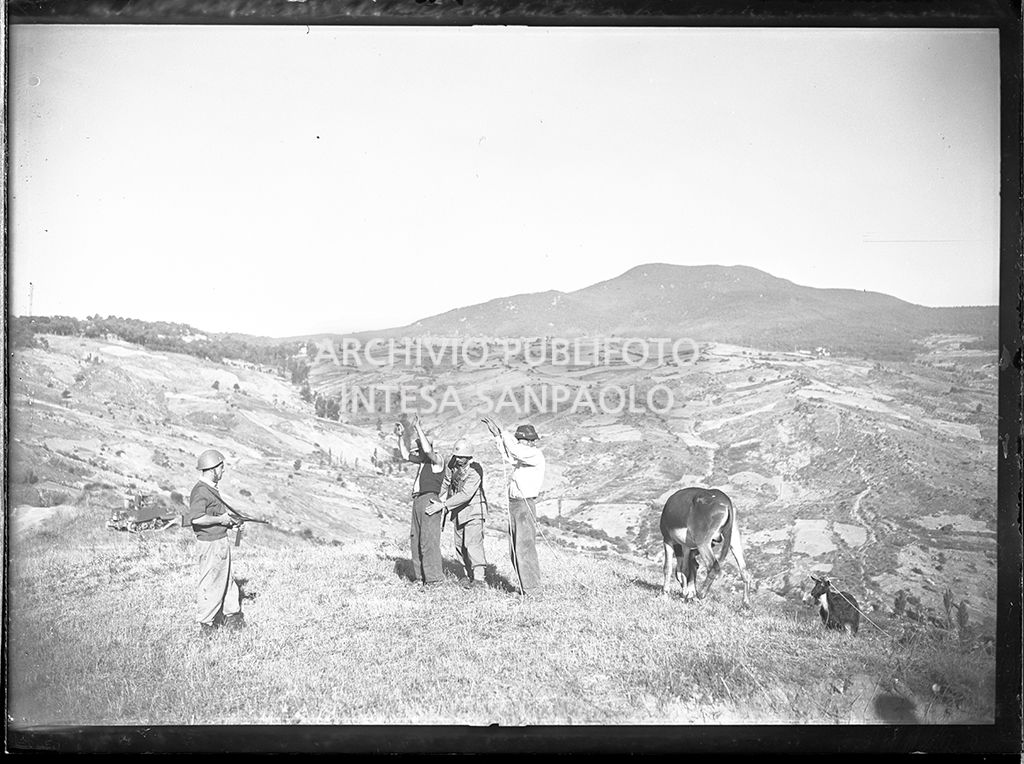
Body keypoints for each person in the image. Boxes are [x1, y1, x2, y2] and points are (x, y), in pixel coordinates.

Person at [481, 417, 545, 595]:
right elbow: (509, 455)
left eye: (521, 440)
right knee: (515, 548)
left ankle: (533, 591)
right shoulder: (524, 457)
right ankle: (527, 588)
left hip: (524, 505)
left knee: (524, 547)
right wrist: (498, 437)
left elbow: (515, 451)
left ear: (529, 441)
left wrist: (504, 431)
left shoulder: (534, 454)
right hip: (516, 505)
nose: (519, 443)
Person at [184, 449, 244, 634]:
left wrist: (229, 525)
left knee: (227, 581)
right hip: (211, 545)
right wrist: (221, 520)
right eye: (221, 467)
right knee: (211, 583)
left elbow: (213, 516)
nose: (223, 471)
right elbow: (196, 519)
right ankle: (206, 626)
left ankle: (232, 618)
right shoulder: (201, 491)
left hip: (218, 541)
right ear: (212, 469)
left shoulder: (209, 489)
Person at [430, 438, 488, 590]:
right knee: (459, 545)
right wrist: (434, 498)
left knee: (473, 544)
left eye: (461, 457)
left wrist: (443, 505)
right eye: (457, 456)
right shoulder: (452, 464)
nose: (458, 459)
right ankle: (466, 575)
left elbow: (466, 494)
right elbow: (446, 482)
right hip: (457, 511)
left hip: (474, 511)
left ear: (469, 456)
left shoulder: (476, 471)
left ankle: (479, 579)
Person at [396, 417, 446, 588]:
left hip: (429, 499)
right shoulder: (423, 462)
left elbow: (428, 450)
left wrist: (417, 427)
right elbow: (404, 454)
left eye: (421, 449)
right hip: (418, 500)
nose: (418, 452)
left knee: (428, 540)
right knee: (416, 539)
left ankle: (434, 579)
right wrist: (401, 436)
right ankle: (420, 578)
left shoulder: (437, 460)